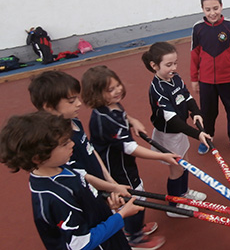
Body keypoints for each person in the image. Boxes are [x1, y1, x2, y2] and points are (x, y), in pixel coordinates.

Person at [0, 111, 143, 250]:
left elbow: (84, 206)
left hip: (110, 238)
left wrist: (108, 208)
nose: (72, 144)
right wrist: (120, 216)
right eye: (64, 144)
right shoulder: (54, 197)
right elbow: (81, 244)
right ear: (38, 158)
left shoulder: (60, 167)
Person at [81, 65, 178, 250]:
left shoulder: (112, 105)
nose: (117, 90)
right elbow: (130, 148)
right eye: (110, 89)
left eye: (117, 85)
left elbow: (122, 116)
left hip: (125, 164)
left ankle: (135, 227)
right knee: (133, 196)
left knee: (137, 192)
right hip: (117, 169)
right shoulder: (104, 119)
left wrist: (132, 121)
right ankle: (134, 236)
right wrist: (162, 155)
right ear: (96, 95)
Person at [141, 41, 209, 218]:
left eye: (175, 63)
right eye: (168, 65)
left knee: (185, 161)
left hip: (180, 132)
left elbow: (186, 97)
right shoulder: (157, 89)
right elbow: (173, 122)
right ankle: (174, 205)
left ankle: (184, 193)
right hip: (169, 134)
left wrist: (196, 111)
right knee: (176, 168)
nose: (173, 67)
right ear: (154, 65)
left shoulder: (175, 78)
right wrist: (197, 134)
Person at [190, 0, 230, 155]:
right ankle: (207, 138)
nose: (212, 13)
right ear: (202, 9)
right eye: (208, 9)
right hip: (206, 81)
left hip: (229, 79)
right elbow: (194, 55)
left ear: (221, 6)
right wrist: (195, 78)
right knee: (208, 112)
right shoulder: (198, 29)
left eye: (215, 8)